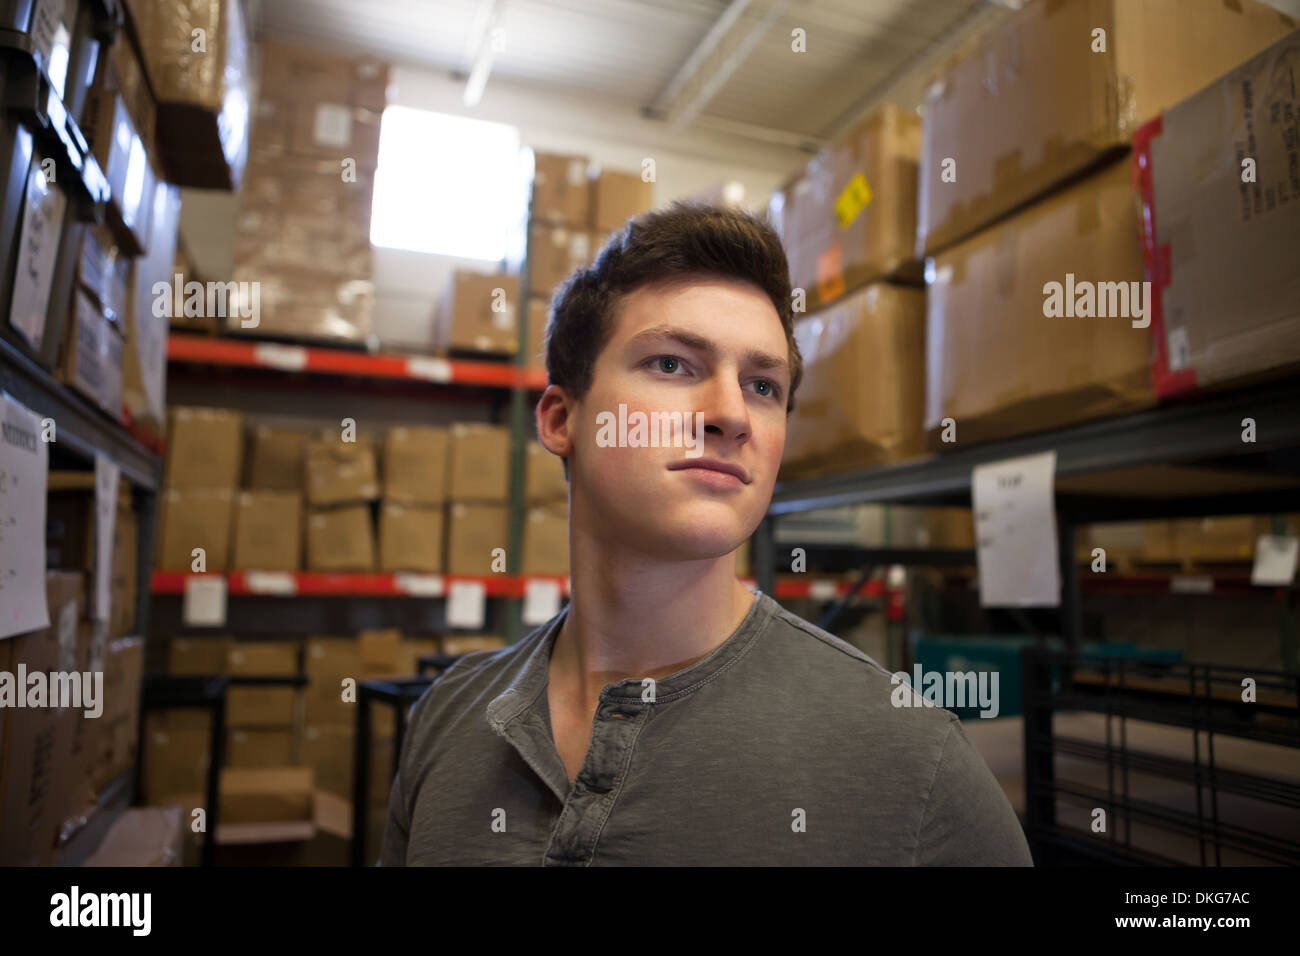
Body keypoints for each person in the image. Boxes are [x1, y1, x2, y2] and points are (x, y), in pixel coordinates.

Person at [379, 203, 1032, 866]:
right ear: (560, 419)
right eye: (672, 365)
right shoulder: (448, 721)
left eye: (762, 386)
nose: (730, 415)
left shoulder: (911, 762)